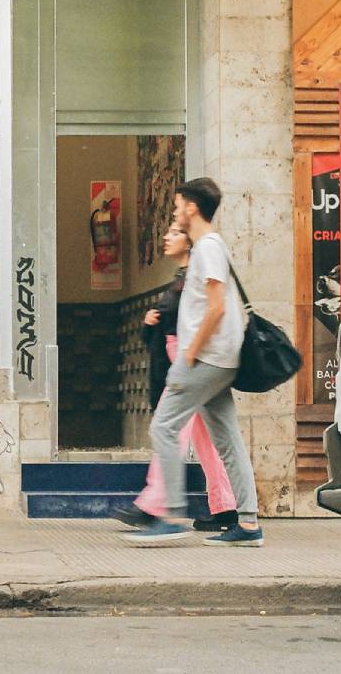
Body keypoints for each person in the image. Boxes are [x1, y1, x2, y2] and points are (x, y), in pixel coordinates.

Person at [125, 177, 260, 547]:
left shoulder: (208, 247)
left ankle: (170, 516)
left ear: (192, 207)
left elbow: (216, 308)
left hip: (205, 359)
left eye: (177, 206)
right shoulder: (207, 248)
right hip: (216, 359)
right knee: (228, 440)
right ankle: (249, 524)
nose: (174, 213)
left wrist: (189, 352)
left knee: (163, 427)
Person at [111, 223, 238, 533]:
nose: (166, 237)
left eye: (175, 232)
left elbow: (208, 314)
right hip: (184, 361)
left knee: (167, 429)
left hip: (190, 363)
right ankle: (226, 507)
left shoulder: (195, 275)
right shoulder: (181, 277)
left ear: (189, 240)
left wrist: (190, 354)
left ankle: (157, 505)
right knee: (206, 441)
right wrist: (152, 320)